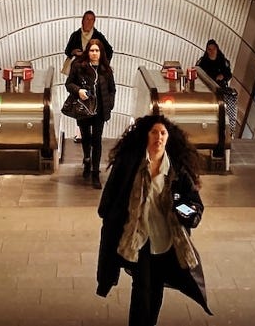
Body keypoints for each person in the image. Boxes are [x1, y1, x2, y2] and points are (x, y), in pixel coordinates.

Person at [96, 114, 212, 326]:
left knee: (156, 288)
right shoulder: (130, 163)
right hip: (138, 237)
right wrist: (112, 219)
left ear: (168, 138)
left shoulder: (176, 168)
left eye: (163, 133)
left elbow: (195, 202)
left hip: (166, 239)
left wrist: (189, 212)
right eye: (154, 132)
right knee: (142, 287)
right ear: (145, 135)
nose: (158, 137)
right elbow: (109, 199)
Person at [64, 39, 116, 189]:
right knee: (86, 137)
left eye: (97, 51)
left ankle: (95, 173)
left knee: (97, 140)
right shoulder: (78, 66)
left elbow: (112, 89)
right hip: (84, 108)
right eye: (92, 50)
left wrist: (109, 105)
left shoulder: (106, 69)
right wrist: (78, 91)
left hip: (100, 110)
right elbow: (69, 84)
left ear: (101, 53)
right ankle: (87, 159)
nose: (94, 53)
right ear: (88, 51)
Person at [196, 39, 236, 136]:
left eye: (214, 49)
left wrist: (222, 76)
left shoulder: (223, 61)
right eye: (209, 49)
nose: (212, 51)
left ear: (217, 49)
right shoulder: (203, 62)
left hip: (219, 89)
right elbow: (197, 72)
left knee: (223, 108)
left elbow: (228, 74)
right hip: (206, 90)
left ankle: (227, 130)